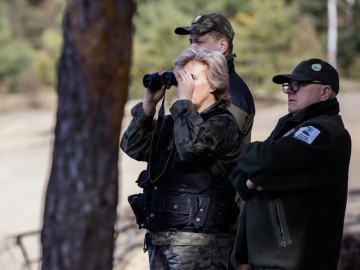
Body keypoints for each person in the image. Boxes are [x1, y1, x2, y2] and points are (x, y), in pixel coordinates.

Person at [121, 47, 242, 270]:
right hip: (161, 239)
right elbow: (132, 147)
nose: (185, 85)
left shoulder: (222, 123)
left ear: (214, 84)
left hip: (201, 245)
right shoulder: (173, 122)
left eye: (193, 78)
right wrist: (148, 106)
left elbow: (191, 150)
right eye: (182, 78)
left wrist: (183, 104)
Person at [230, 58, 352, 270]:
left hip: (297, 261)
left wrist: (248, 153)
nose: (290, 91)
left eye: (299, 85)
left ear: (325, 93)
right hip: (269, 258)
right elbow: (242, 174)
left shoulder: (324, 131)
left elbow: (269, 159)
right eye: (289, 85)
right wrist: (252, 179)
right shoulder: (290, 126)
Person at [175, 13, 255, 143]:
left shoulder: (233, 91)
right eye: (191, 41)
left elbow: (203, 146)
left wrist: (184, 103)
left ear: (222, 46)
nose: (192, 47)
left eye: (199, 42)